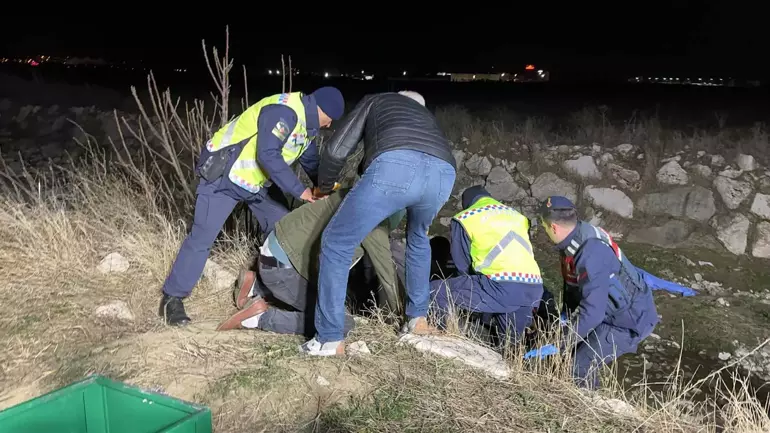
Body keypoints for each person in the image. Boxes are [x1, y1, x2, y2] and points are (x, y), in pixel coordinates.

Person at [159, 87, 345, 326]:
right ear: (322, 110)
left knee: (284, 230)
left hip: (254, 183)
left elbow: (309, 161)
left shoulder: (306, 128)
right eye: (329, 120)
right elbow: (267, 154)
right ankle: (172, 299)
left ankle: (259, 285)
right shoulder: (284, 112)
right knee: (202, 238)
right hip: (223, 176)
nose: (329, 126)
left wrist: (328, 188)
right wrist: (301, 191)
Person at [301, 90, 457, 357]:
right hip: (444, 171)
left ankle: (328, 338)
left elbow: (337, 150)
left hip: (396, 165)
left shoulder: (378, 99)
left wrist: (323, 186)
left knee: (337, 242)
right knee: (418, 239)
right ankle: (417, 320)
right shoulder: (423, 114)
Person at [215, 188, 406, 346]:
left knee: (326, 291)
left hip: (271, 253)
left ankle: (255, 286)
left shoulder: (353, 192)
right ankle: (260, 318)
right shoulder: (375, 222)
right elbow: (388, 278)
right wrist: (397, 318)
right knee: (340, 322)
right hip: (282, 269)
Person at [538, 195, 659, 389]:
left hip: (626, 322)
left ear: (554, 228)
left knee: (577, 368)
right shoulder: (574, 239)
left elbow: (593, 312)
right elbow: (574, 284)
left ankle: (591, 409)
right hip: (608, 310)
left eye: (544, 227)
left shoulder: (590, 252)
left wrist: (561, 342)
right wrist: (566, 316)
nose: (544, 231)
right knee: (570, 354)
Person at [429, 186, 545, 343]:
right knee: (510, 346)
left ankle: (439, 343)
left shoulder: (466, 217)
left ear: (466, 203)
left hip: (501, 285)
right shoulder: (517, 216)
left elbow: (462, 264)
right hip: (534, 288)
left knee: (437, 291)